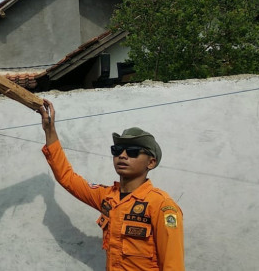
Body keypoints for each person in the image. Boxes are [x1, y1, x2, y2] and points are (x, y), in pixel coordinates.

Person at [38, 99, 184, 270]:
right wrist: (50, 130)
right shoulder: (108, 197)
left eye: (132, 152)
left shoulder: (161, 206)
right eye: (117, 150)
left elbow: (173, 265)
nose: (122, 155)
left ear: (151, 162)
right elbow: (67, 178)